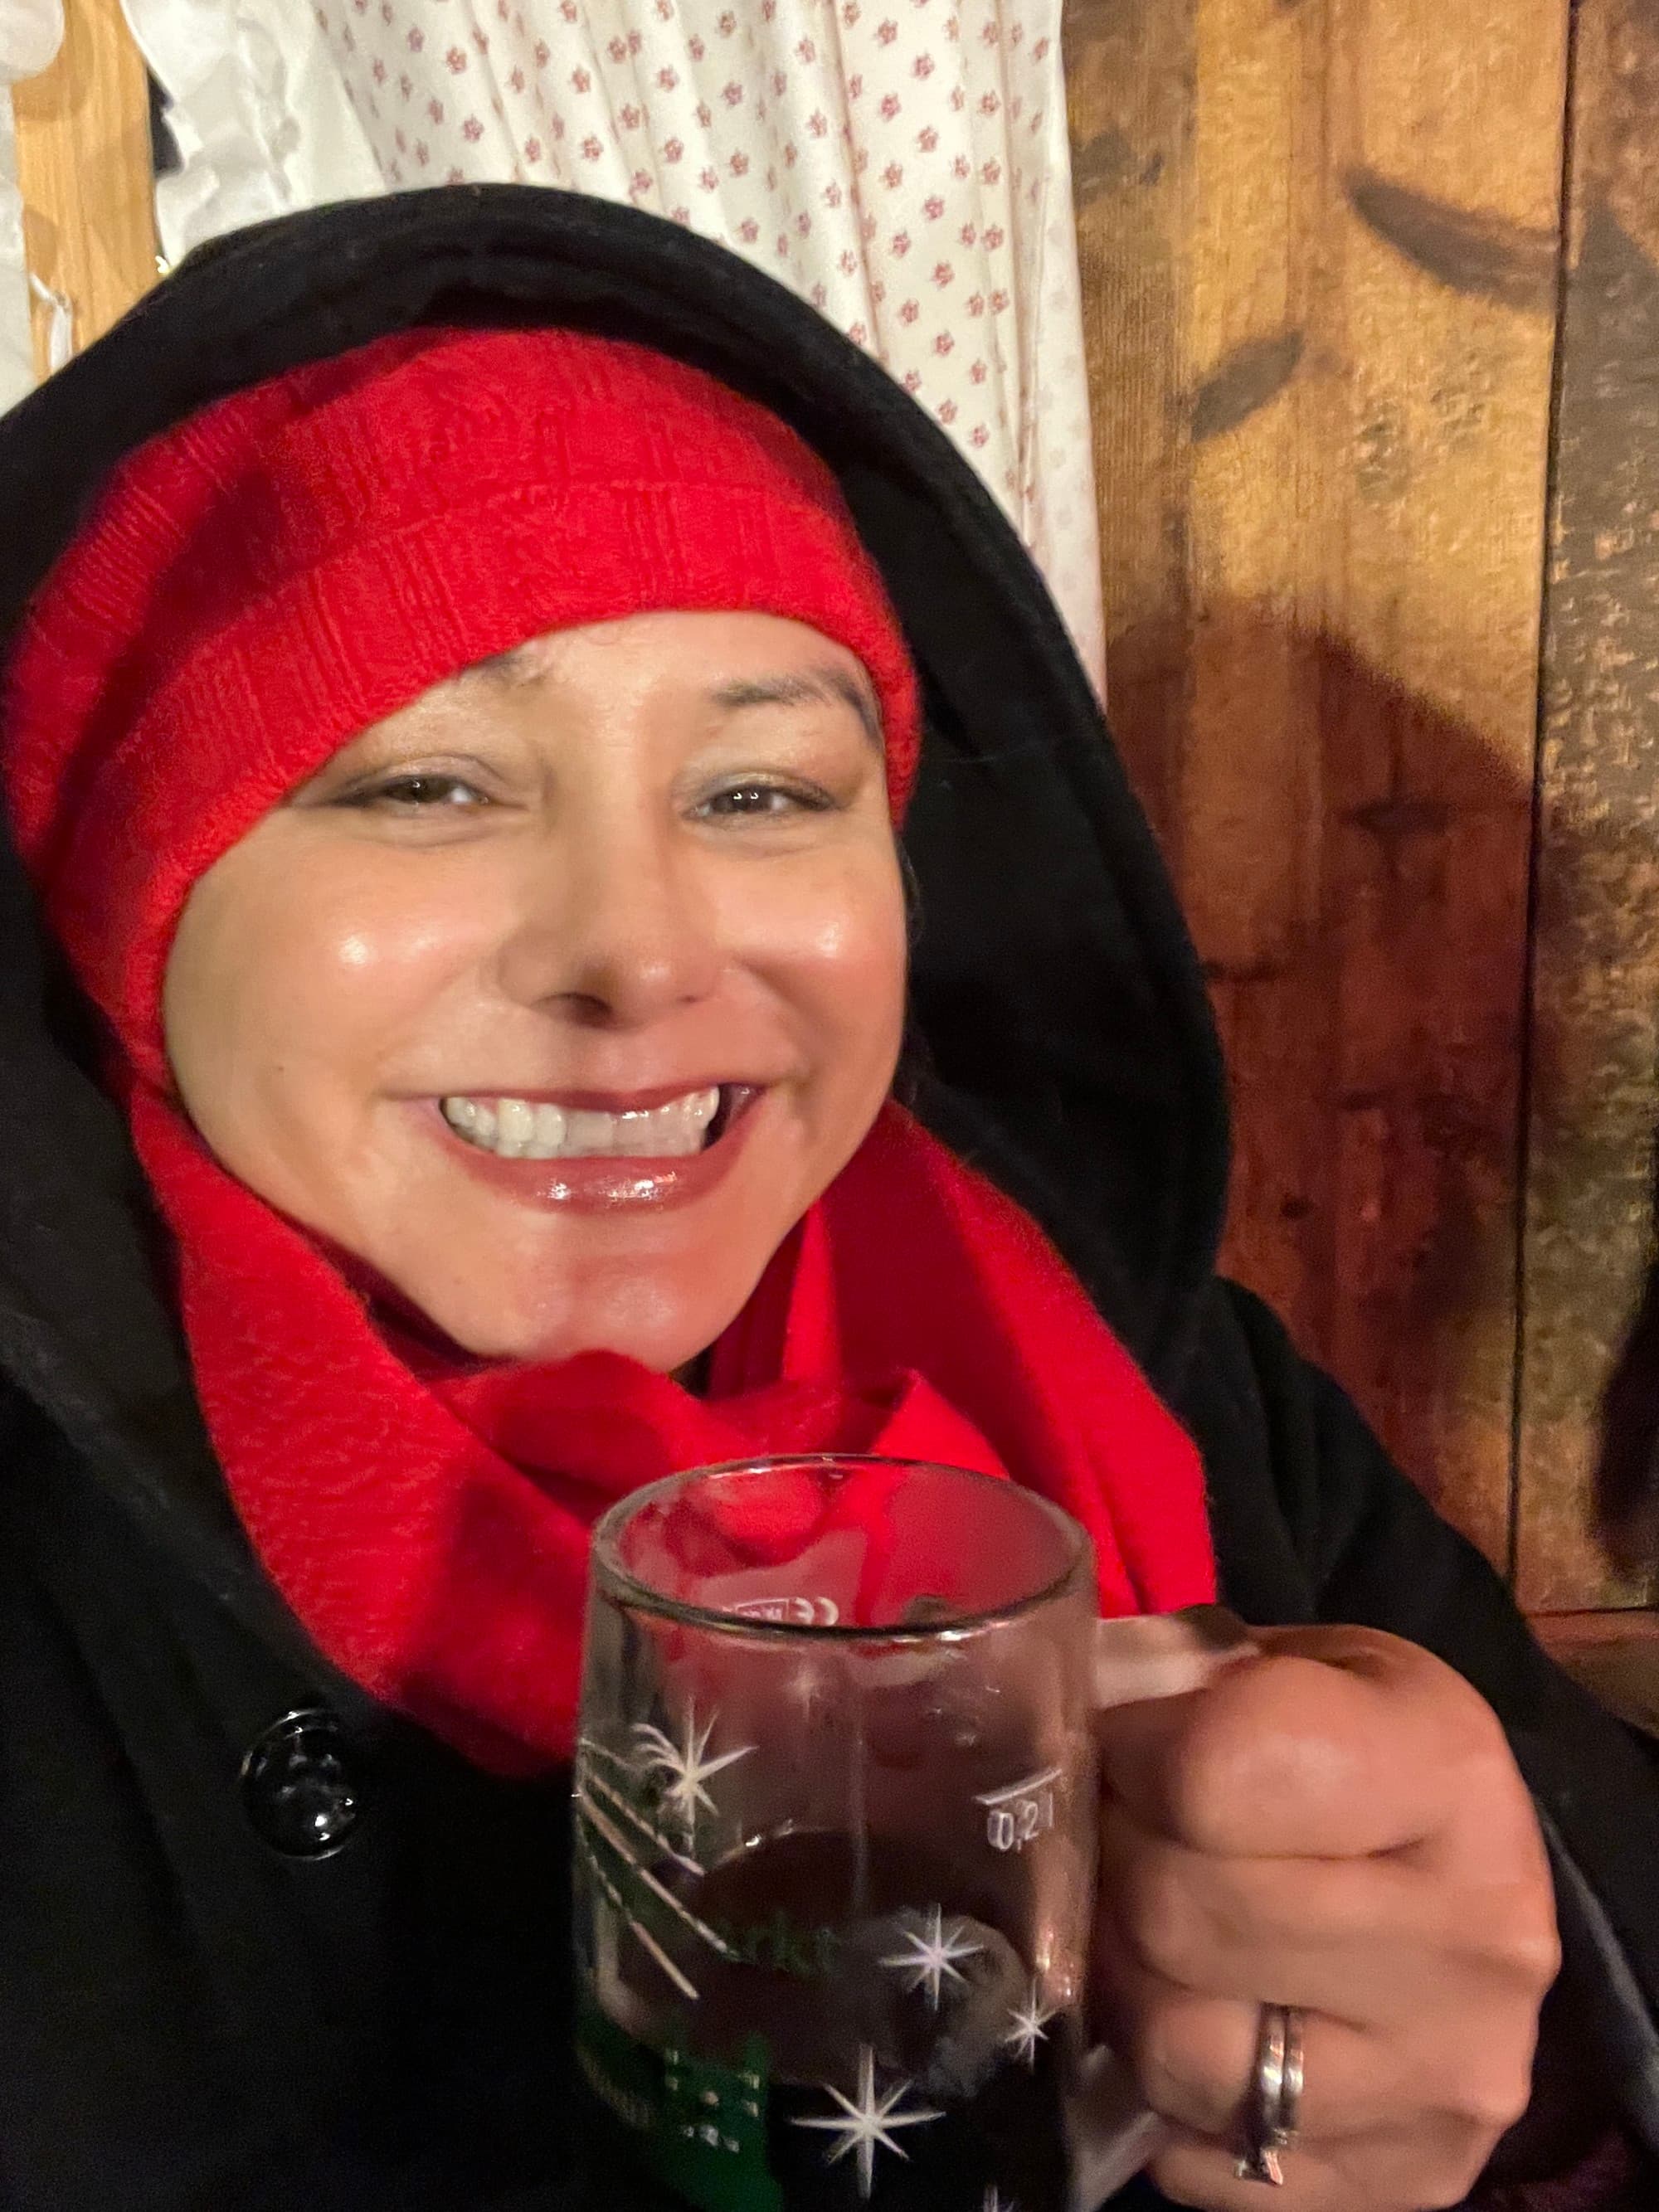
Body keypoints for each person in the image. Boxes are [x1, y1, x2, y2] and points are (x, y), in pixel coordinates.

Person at [0, 186, 1653, 2212]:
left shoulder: (1163, 1367)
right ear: (114, 891)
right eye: (424, 782)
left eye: (761, 791)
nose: (638, 955)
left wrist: (1537, 2058)